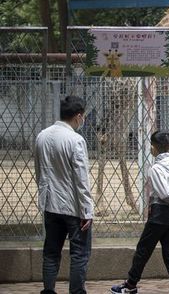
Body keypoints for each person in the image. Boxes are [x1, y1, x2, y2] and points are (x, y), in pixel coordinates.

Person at [111, 131, 169, 294]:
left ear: (153, 147)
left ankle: (131, 285)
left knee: (143, 250)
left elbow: (165, 193)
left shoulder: (156, 168)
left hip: (159, 214)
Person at [33, 95, 94, 294]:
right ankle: (76, 291)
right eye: (83, 117)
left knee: (51, 253)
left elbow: (39, 171)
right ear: (78, 116)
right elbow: (81, 179)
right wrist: (87, 210)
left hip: (50, 204)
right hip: (73, 208)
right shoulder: (75, 140)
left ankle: (48, 290)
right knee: (79, 254)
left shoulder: (42, 136)